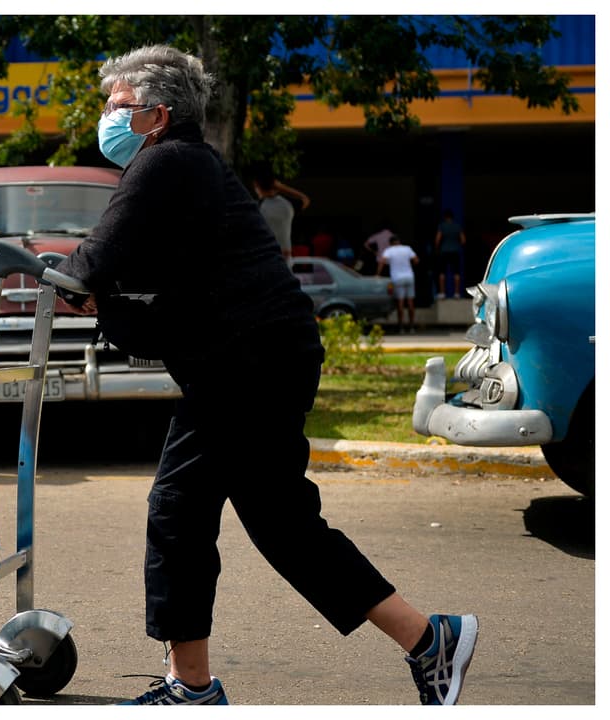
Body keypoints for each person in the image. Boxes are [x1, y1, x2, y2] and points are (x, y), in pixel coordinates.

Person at [53, 44, 478, 706]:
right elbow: (150, 274)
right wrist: (97, 291)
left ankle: (191, 687)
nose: (105, 118)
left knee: (180, 511)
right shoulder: (187, 165)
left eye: (116, 107)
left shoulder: (163, 163)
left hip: (245, 365)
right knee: (279, 523)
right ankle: (429, 639)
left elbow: (100, 254)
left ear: (155, 116)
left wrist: (71, 277)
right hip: (262, 358)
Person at [252, 162, 310, 260]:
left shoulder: (257, 207)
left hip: (264, 256)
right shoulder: (288, 205)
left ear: (256, 185)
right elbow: (305, 199)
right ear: (275, 184)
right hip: (285, 256)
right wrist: (281, 187)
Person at [377, 234, 420, 334]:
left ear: (390, 243)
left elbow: (382, 262)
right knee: (410, 302)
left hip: (397, 278)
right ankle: (412, 326)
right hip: (409, 276)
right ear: (399, 241)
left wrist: (378, 274)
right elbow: (416, 260)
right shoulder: (407, 248)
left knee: (400, 303)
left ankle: (401, 327)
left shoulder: (389, 250)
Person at [434, 208, 466, 299]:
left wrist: (437, 249)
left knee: (442, 272)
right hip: (455, 251)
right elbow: (463, 240)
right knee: (456, 273)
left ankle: (442, 293)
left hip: (444, 251)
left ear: (445, 217)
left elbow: (437, 240)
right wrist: (457, 245)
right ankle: (456, 293)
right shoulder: (457, 226)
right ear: (452, 217)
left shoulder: (442, 226)